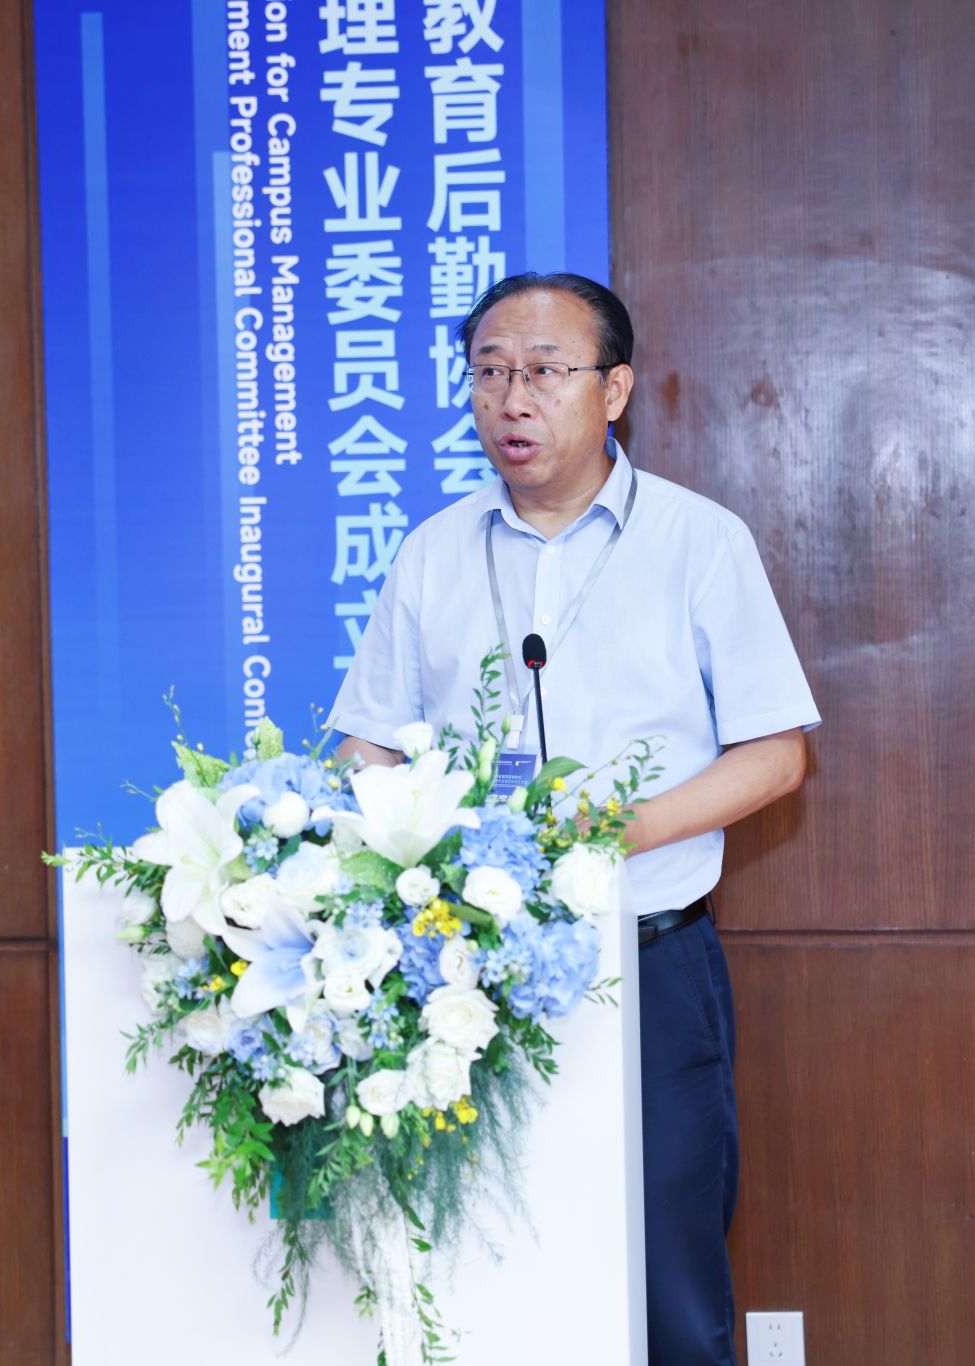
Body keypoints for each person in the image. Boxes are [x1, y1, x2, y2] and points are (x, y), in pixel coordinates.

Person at [328, 271, 821, 1366]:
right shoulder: (432, 551)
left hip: (646, 962)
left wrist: (625, 828)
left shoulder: (697, 541)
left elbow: (777, 754)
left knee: (664, 1278)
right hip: (458, 975)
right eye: (489, 372)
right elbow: (365, 746)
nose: (512, 399)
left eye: (545, 372)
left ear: (614, 391)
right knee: (482, 1270)